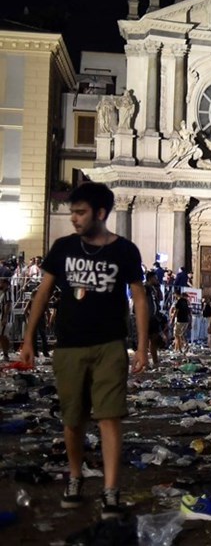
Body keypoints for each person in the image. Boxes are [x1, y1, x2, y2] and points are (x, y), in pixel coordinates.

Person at [20, 182, 149, 519]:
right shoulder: (62, 248)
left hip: (110, 345)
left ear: (101, 214)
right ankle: (75, 476)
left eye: (80, 212)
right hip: (69, 346)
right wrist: (29, 339)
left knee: (110, 418)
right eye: (73, 211)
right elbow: (43, 294)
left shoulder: (125, 250)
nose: (74, 218)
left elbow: (138, 297)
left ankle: (110, 490)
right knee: (73, 419)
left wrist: (143, 347)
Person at [170, 288, 191, 355]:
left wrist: (172, 319)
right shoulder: (186, 303)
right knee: (181, 334)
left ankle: (180, 350)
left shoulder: (178, 302)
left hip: (180, 320)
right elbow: (189, 313)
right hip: (186, 321)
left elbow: (176, 311)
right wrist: (190, 322)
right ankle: (183, 346)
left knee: (177, 335)